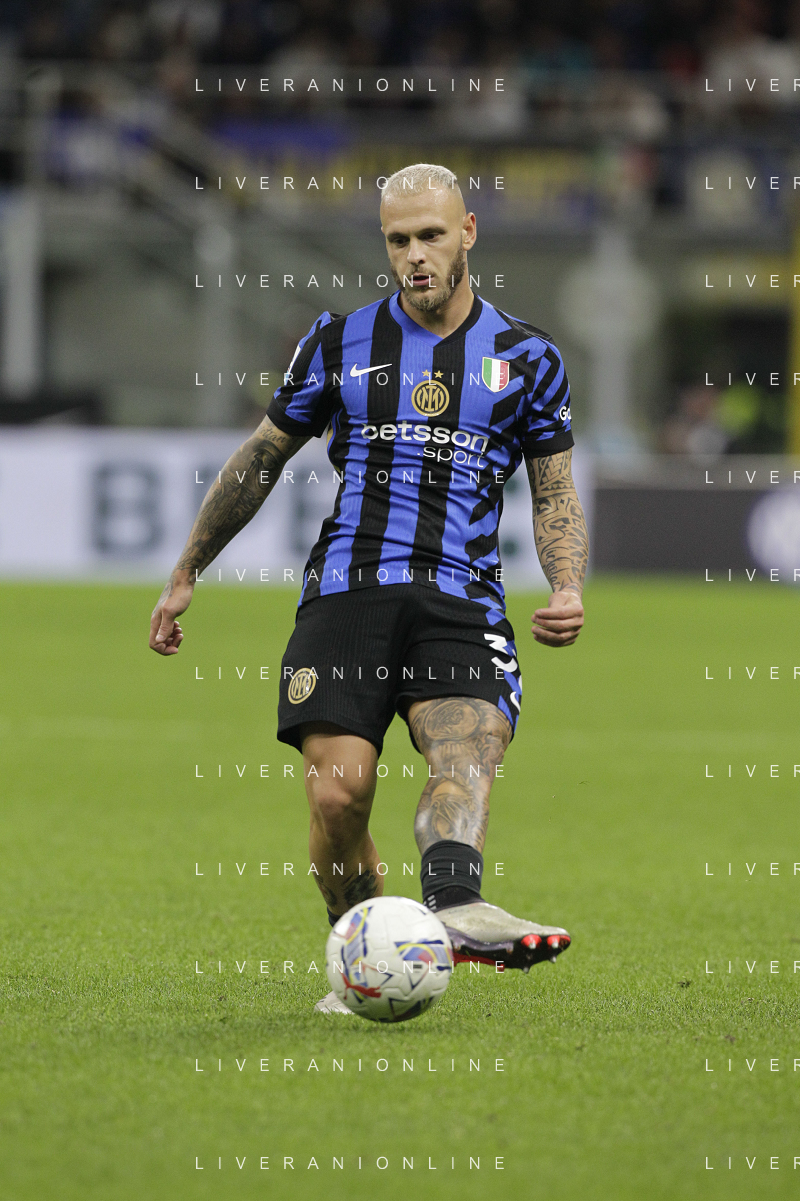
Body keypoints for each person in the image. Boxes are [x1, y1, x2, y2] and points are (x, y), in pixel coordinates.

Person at [149, 163, 588, 1013]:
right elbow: (262, 458)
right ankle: (359, 951)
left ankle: (455, 901)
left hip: (461, 598)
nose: (415, 255)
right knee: (338, 794)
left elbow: (555, 490)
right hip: (349, 591)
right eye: (398, 239)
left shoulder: (528, 358)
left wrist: (566, 582)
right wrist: (186, 570)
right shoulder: (337, 343)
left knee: (465, 750)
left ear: (468, 231)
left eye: (431, 235)